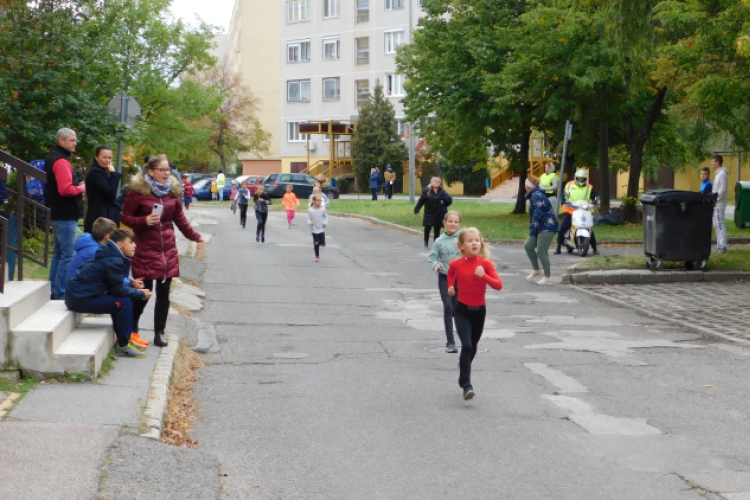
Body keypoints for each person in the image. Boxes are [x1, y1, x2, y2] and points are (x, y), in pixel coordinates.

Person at [121, 157, 204, 348]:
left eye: (167, 170)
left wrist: (194, 236)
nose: (167, 173)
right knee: (144, 292)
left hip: (167, 250)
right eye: (162, 170)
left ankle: (159, 332)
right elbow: (125, 216)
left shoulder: (172, 193)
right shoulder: (138, 192)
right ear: (150, 171)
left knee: (164, 295)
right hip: (145, 248)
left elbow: (180, 220)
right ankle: (133, 329)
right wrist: (143, 221)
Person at [65, 229, 153, 358]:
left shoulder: (113, 256)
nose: (135, 246)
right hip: (80, 299)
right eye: (131, 242)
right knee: (123, 302)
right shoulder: (113, 260)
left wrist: (132, 284)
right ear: (119, 245)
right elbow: (117, 289)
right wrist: (139, 294)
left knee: (122, 300)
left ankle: (126, 341)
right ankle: (123, 345)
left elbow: (114, 282)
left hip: (80, 295)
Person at [447, 227, 503, 400]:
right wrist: (450, 285)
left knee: (473, 346)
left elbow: (498, 285)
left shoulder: (485, 264)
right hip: (462, 310)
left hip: (479, 311)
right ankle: (466, 383)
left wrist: (483, 276)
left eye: (477, 240)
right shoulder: (456, 263)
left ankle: (464, 368)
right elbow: (451, 272)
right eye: (470, 240)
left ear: (481, 243)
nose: (474, 243)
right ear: (462, 246)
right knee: (467, 346)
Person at [45, 128, 86, 300]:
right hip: (65, 214)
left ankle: (54, 289)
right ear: (61, 141)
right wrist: (82, 188)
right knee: (68, 254)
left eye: (75, 140)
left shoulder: (53, 157)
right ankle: (60, 291)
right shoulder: (61, 161)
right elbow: (65, 189)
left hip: (57, 212)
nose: (75, 143)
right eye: (71, 140)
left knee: (59, 254)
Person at [428, 211, 462, 353]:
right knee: (448, 307)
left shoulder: (463, 239)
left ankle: (466, 338)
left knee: (458, 308)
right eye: (450, 221)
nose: (452, 224)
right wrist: (436, 265)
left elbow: (474, 252)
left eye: (456, 222)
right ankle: (450, 342)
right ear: (444, 223)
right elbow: (433, 257)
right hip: (445, 277)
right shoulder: (439, 241)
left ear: (460, 224)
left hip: (461, 278)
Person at [524, 176, 559, 285]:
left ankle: (547, 278)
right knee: (528, 246)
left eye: (525, 184)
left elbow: (537, 214)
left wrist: (532, 229)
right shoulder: (534, 194)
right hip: (540, 226)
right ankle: (536, 270)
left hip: (548, 226)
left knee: (541, 251)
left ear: (528, 186)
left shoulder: (536, 195)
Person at [554, 169, 599, 255]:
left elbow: (595, 196)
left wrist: (594, 202)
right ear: (576, 178)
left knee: (589, 228)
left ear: (585, 179)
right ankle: (558, 247)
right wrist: (563, 201)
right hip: (570, 211)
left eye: (583, 178)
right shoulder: (569, 185)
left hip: (583, 211)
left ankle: (594, 249)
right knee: (562, 228)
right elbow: (564, 195)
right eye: (579, 178)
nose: (581, 180)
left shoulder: (589, 187)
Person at [83, 145, 121, 234]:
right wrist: (113, 174)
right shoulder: (95, 173)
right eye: (104, 157)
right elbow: (111, 192)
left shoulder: (103, 172)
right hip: (100, 214)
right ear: (96, 157)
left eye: (109, 158)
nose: (107, 160)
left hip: (105, 212)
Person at [414, 177, 453, 249]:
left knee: (437, 229)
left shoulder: (442, 192)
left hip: (438, 213)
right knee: (427, 228)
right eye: (435, 181)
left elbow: (449, 201)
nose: (437, 182)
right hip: (429, 212)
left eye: (438, 181)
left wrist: (444, 201)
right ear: (431, 183)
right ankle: (426, 240)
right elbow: (421, 201)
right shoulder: (427, 191)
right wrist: (417, 210)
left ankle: (435, 243)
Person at [711, 154, 728, 254]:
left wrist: (715, 200)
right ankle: (719, 244)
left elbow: (722, 190)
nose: (711, 163)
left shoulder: (722, 174)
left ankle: (723, 246)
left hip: (719, 204)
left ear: (717, 162)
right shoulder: (718, 174)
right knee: (717, 225)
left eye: (713, 161)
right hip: (716, 204)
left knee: (720, 224)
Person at [307, 194, 328, 262]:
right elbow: (308, 219)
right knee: (316, 244)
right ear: (313, 201)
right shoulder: (310, 210)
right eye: (318, 200)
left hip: (321, 229)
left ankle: (322, 242)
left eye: (320, 201)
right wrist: (311, 223)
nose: (319, 202)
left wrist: (325, 223)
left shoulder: (322, 209)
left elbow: (325, 217)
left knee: (322, 243)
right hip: (314, 230)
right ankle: (317, 256)